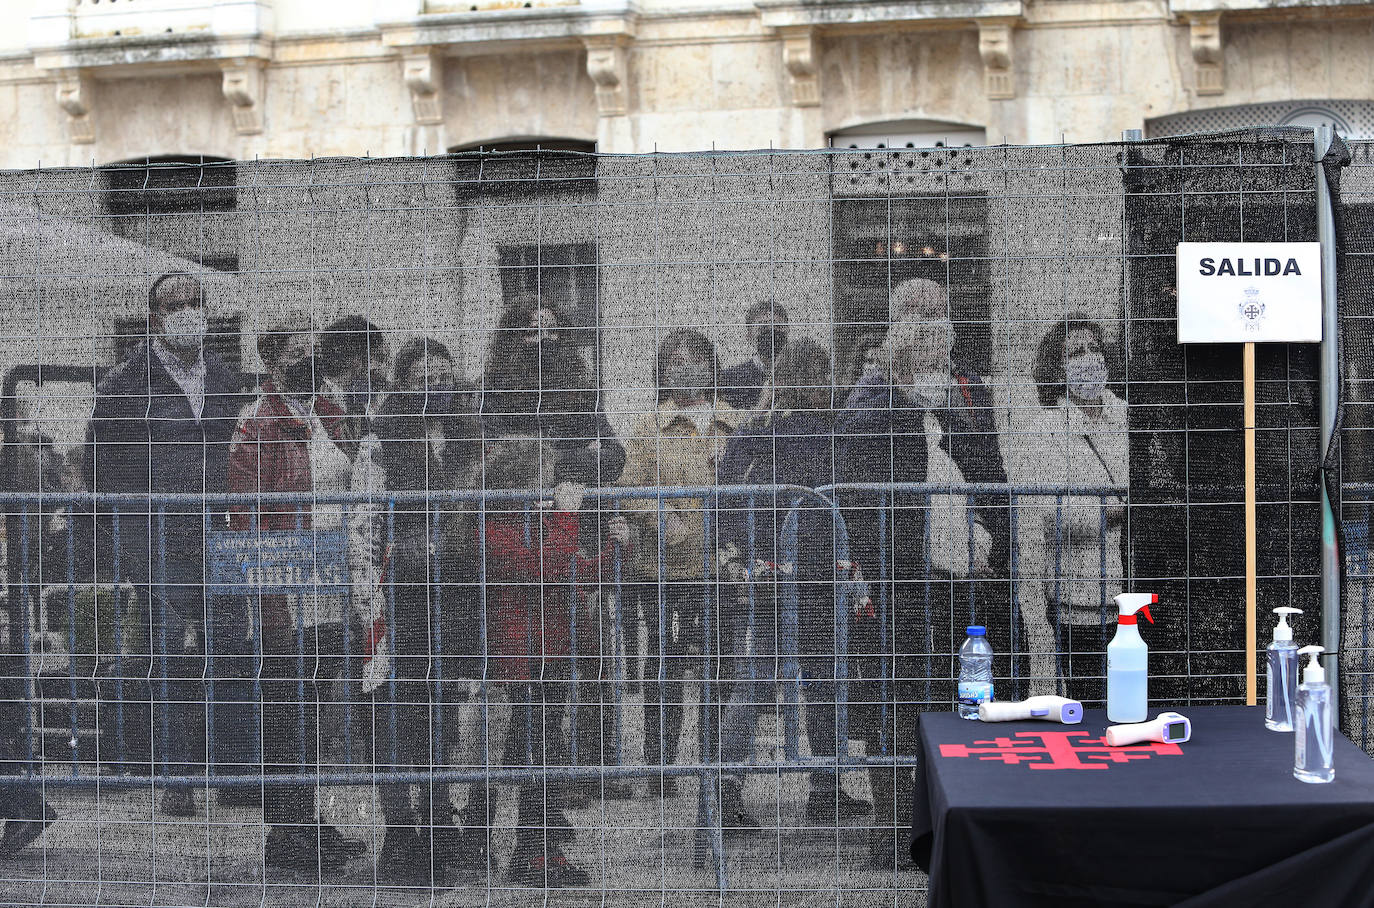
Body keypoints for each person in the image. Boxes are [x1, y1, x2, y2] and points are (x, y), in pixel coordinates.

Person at [837, 277, 1018, 868]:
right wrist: (914, 402)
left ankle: (973, 815)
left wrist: (1001, 549)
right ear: (893, 322)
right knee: (904, 698)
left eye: (937, 315)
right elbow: (866, 480)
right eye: (913, 315)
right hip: (905, 571)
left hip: (970, 565)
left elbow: (989, 465)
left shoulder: (964, 388)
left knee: (972, 690)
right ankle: (898, 832)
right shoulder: (873, 389)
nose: (928, 327)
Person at [83, 272, 246, 817]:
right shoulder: (125, 384)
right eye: (176, 307)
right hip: (156, 536)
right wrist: (124, 543)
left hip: (219, 531)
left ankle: (231, 773)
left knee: (228, 649)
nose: (188, 315)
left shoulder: (225, 376)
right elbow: (103, 470)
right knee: (166, 655)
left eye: (196, 305)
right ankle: (177, 778)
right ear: (154, 318)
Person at [715, 336, 872, 829]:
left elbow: (722, 495)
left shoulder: (755, 431)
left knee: (756, 680)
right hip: (822, 573)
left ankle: (724, 788)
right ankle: (826, 789)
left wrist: (740, 553)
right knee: (824, 681)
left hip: (770, 574)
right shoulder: (834, 434)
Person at [227, 324, 364, 874]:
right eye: (298, 352)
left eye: (314, 350)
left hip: (334, 574)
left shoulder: (332, 413)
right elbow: (245, 511)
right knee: (288, 704)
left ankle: (306, 817)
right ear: (274, 361)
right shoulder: (258, 421)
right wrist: (265, 591)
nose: (311, 358)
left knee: (316, 700)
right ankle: (285, 829)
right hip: (287, 576)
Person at [349, 337, 486, 883]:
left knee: (444, 712)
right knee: (393, 713)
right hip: (399, 592)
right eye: (423, 380)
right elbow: (362, 521)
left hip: (452, 591)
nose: (435, 390)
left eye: (444, 380)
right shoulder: (381, 442)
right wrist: (367, 598)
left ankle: (436, 827)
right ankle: (400, 829)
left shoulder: (470, 442)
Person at [480, 432, 630, 888]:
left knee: (544, 751)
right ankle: (530, 853)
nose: (552, 485)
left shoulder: (534, 521)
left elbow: (571, 569)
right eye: (544, 476)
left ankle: (539, 847)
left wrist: (613, 551)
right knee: (532, 752)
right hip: (524, 654)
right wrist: (567, 516)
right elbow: (541, 566)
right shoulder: (497, 526)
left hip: (551, 649)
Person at [618, 329, 743, 786]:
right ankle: (660, 761)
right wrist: (662, 516)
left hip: (723, 564)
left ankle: (719, 766)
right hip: (665, 566)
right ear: (661, 372)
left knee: (723, 662)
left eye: (694, 360)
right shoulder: (650, 426)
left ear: (712, 366)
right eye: (673, 362)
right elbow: (630, 487)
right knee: (665, 661)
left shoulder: (735, 421)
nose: (685, 369)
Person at [1022, 316, 1127, 701]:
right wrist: (1122, 512)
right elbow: (1055, 511)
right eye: (1075, 353)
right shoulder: (1045, 426)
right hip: (1077, 594)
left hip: (1131, 583)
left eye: (1094, 349)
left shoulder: (1129, 417)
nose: (1088, 359)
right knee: (1093, 698)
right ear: (1058, 366)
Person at [481, 295, 625, 487]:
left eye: (552, 330)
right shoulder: (494, 391)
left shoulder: (581, 387)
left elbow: (614, 457)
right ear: (513, 339)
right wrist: (585, 456)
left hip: (578, 506)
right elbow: (498, 461)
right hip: (522, 508)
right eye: (534, 332)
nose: (545, 339)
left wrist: (545, 461)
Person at [317, 315, 390, 447]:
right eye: (379, 358)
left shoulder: (378, 395)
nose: (382, 367)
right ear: (355, 361)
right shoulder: (323, 405)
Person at [719, 301, 789, 412]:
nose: (772, 333)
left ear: (787, 330)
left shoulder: (801, 376)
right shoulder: (728, 380)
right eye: (763, 329)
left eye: (778, 327)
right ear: (749, 336)